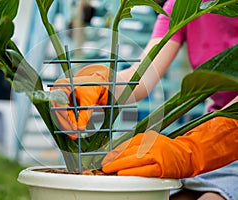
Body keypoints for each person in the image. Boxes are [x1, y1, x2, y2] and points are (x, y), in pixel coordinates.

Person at [51, 0, 238, 199]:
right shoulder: (184, 6)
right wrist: (98, 83)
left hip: (222, 141)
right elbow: (140, 78)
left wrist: (192, 150)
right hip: (212, 138)